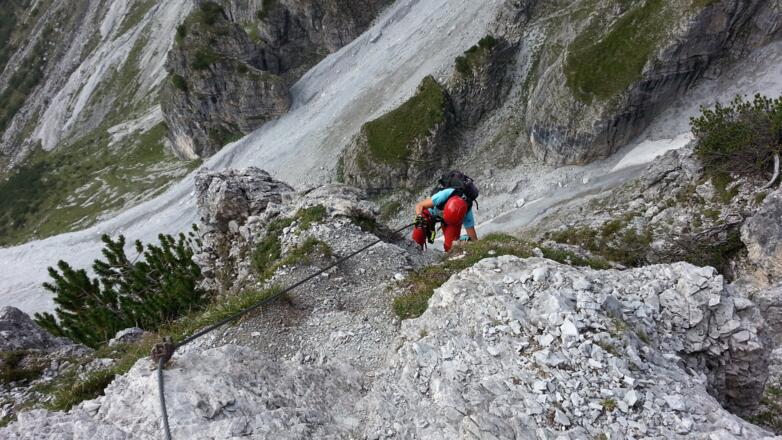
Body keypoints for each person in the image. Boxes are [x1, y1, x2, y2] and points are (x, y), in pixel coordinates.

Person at [412, 171, 479, 252]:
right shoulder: (445, 194)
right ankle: (415, 251)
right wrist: (419, 217)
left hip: (451, 223)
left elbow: (473, 238)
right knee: (419, 232)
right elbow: (420, 205)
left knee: (451, 248)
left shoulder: (467, 209)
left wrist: (469, 242)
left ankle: (448, 256)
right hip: (431, 213)